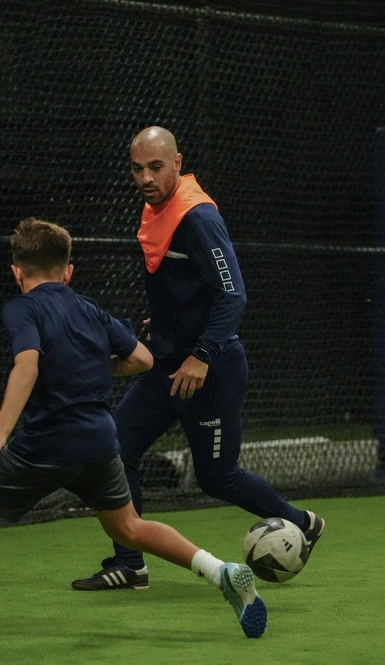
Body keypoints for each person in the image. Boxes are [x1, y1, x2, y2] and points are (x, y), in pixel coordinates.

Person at [0, 217, 267, 640]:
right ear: (68, 271)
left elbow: (27, 363)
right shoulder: (89, 307)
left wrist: (1, 430)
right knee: (128, 527)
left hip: (47, 445)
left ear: (17, 271)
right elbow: (143, 360)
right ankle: (220, 571)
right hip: (100, 441)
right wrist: (92, 367)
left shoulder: (21, 307)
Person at [72, 126, 325, 592]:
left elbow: (233, 295)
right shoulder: (157, 211)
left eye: (155, 167)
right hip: (166, 367)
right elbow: (184, 287)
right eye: (137, 168)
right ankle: (130, 564)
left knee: (218, 477)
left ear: (177, 163)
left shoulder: (197, 217)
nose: (145, 177)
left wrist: (202, 354)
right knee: (114, 451)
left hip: (210, 370)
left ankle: (300, 523)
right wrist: (162, 327)